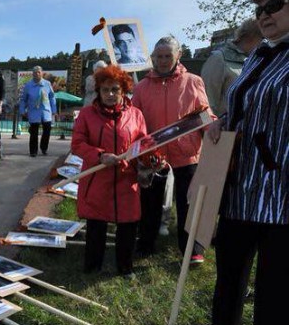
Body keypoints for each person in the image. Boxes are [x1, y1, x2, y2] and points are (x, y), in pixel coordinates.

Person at [205, 0, 289, 325]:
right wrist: (223, 122)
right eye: (259, 9)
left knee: (276, 269)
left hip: (281, 185)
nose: (263, 15)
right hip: (240, 176)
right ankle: (224, 321)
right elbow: (239, 102)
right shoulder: (259, 53)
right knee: (230, 254)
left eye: (274, 5)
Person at [132, 36, 214, 263]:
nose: (163, 60)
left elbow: (204, 113)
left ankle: (191, 248)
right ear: (153, 58)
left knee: (188, 201)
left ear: (178, 56)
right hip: (153, 155)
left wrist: (215, 129)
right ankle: (146, 243)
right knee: (150, 201)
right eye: (159, 56)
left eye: (168, 55)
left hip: (187, 152)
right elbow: (134, 119)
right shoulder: (141, 87)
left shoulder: (193, 81)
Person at [71, 65, 148, 277]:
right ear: (98, 91)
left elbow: (143, 143)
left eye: (115, 89)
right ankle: (92, 266)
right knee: (96, 225)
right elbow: (77, 144)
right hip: (97, 178)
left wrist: (150, 158)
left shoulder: (136, 115)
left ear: (123, 91)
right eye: (105, 90)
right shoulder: (86, 114)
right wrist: (100, 155)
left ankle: (125, 267)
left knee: (128, 224)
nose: (110, 94)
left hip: (127, 179)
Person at [201, 19, 263, 116]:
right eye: (263, 38)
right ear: (251, 36)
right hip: (224, 128)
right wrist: (208, 129)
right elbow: (205, 102)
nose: (266, 43)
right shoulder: (219, 59)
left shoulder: (256, 62)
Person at [19, 66, 57, 157]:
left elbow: (52, 97)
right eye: (35, 72)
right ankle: (33, 151)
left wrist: (54, 110)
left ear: (42, 73)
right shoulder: (28, 85)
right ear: (32, 74)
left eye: (39, 72)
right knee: (34, 132)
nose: (37, 74)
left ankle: (44, 148)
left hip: (46, 111)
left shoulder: (47, 84)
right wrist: (22, 109)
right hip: (33, 111)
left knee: (47, 130)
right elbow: (23, 99)